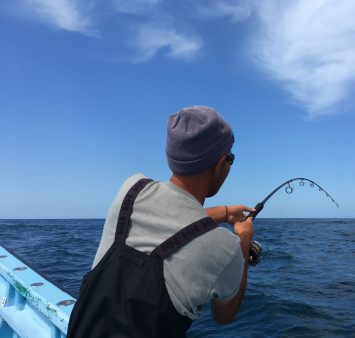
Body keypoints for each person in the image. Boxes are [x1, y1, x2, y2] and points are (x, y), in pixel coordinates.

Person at [67, 105, 255, 338]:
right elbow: (224, 317)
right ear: (219, 165)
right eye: (230, 159)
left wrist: (225, 213)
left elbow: (174, 225)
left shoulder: (131, 189)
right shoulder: (226, 249)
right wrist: (244, 242)